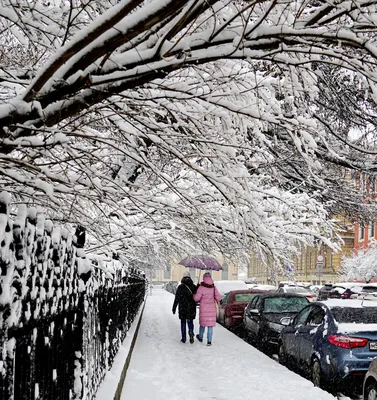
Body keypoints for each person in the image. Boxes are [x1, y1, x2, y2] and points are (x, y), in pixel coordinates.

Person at [193, 272, 222, 346]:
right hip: (212, 309)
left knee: (203, 324)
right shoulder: (213, 287)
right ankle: (209, 341)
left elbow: (196, 298)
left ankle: (200, 336)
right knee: (210, 325)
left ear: (204, 278)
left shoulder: (201, 287)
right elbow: (218, 297)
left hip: (204, 309)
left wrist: (194, 294)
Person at [172, 271, 198, 343]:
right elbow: (197, 297)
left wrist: (174, 308)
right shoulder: (193, 286)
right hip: (191, 307)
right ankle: (191, 331)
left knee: (183, 322)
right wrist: (198, 287)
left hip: (182, 307)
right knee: (190, 321)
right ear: (190, 278)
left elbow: (176, 298)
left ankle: (183, 338)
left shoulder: (180, 287)